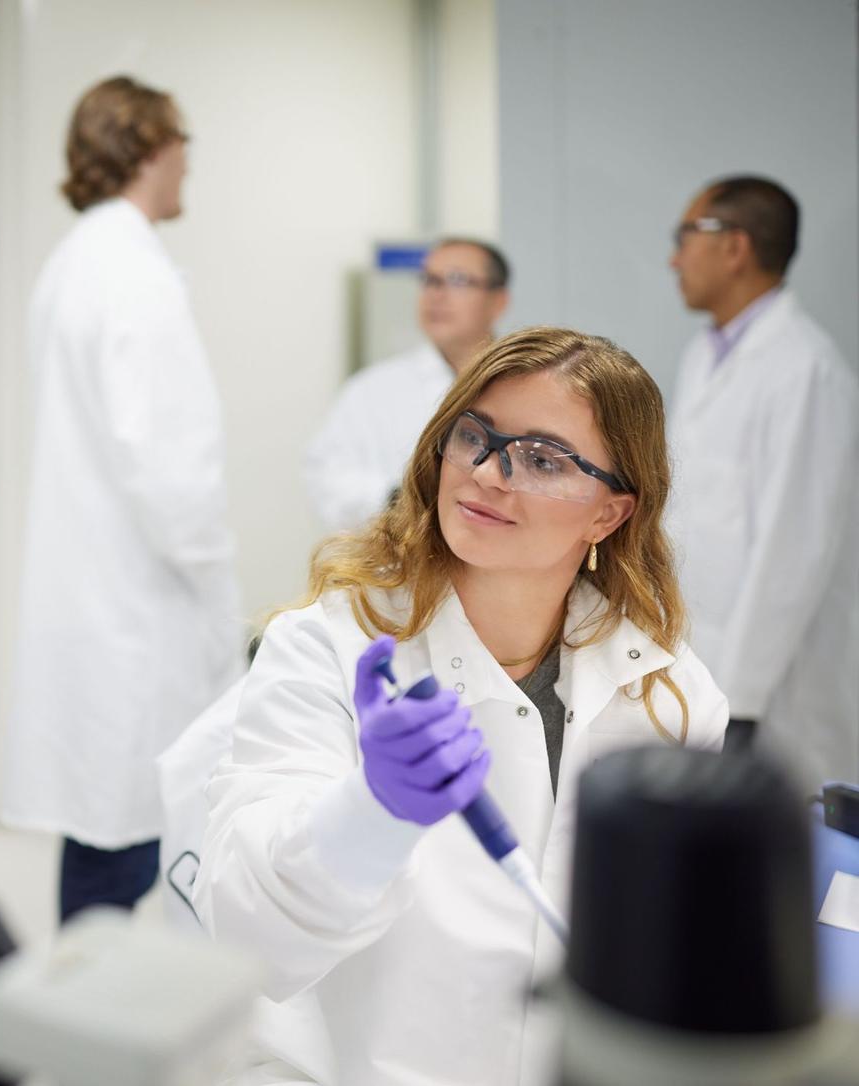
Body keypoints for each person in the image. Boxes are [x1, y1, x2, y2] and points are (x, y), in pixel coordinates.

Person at [194, 328, 727, 1085]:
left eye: (542, 459)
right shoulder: (327, 648)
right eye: (474, 437)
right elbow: (251, 936)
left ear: (609, 514)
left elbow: (682, 949)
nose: (486, 473)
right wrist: (373, 812)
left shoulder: (671, 697)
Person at [1, 75, 242, 923]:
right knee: (132, 844)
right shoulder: (132, 273)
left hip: (99, 599)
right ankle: (93, 1039)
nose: (187, 167)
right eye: (183, 145)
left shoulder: (77, 263)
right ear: (150, 147)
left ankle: (84, 1024)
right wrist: (221, 594)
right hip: (141, 611)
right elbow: (169, 469)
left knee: (107, 833)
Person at [667, 176, 859, 781]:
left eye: (686, 236)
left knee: (793, 859)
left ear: (735, 247)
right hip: (702, 662)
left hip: (771, 692)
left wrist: (741, 701)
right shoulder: (705, 354)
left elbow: (793, 550)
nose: (674, 258)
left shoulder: (806, 368)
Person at [305, 238, 509, 532]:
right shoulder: (371, 390)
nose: (436, 295)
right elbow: (327, 479)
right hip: (402, 566)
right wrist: (401, 498)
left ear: (499, 300)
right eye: (429, 280)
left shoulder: (524, 386)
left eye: (457, 280)